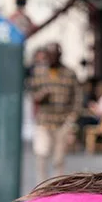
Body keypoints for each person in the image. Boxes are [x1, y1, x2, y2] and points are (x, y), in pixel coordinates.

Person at [28, 43, 82, 181]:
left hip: (63, 121)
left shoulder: (69, 73)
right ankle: (41, 186)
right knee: (41, 153)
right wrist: (41, 95)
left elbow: (77, 97)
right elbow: (32, 94)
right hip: (44, 121)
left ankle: (57, 187)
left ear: (59, 56)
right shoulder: (39, 72)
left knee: (59, 158)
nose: (51, 59)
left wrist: (72, 117)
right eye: (49, 55)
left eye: (54, 55)